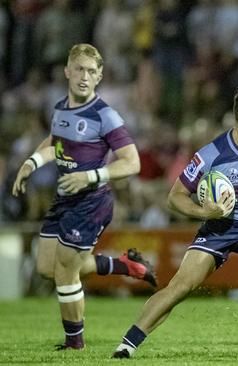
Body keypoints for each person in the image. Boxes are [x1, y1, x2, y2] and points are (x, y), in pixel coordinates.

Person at [112, 84, 238, 359]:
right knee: (181, 287)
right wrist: (207, 213)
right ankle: (127, 345)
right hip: (219, 228)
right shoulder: (212, 155)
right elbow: (175, 197)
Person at [11, 44, 157, 350]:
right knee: (46, 268)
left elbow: (132, 162)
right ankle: (124, 266)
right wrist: (31, 163)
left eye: (92, 71)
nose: (84, 76)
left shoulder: (105, 115)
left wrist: (91, 175)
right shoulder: (61, 106)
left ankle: (74, 342)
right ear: (67, 71)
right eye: (79, 69)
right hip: (65, 197)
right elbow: (55, 143)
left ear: (100, 76)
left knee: (65, 269)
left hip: (92, 202)